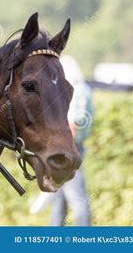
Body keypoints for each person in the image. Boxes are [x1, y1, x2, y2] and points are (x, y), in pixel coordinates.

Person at [50, 55, 93, 226]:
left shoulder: (78, 90)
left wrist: (63, 148)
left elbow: (76, 121)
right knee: (59, 198)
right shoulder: (82, 88)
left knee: (76, 198)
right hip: (71, 146)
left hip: (69, 148)